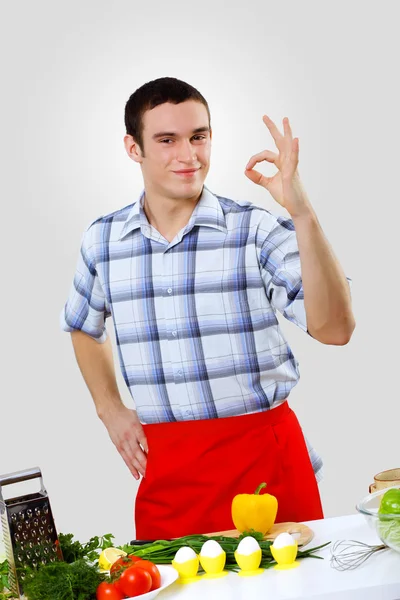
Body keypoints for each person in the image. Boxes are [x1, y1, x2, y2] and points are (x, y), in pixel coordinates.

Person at [60, 77, 355, 539]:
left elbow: (335, 328)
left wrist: (303, 215)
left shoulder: (255, 230)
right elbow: (83, 326)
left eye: (199, 136)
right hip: (170, 476)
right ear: (132, 148)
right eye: (166, 140)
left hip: (266, 468)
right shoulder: (102, 240)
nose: (189, 155)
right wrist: (110, 409)